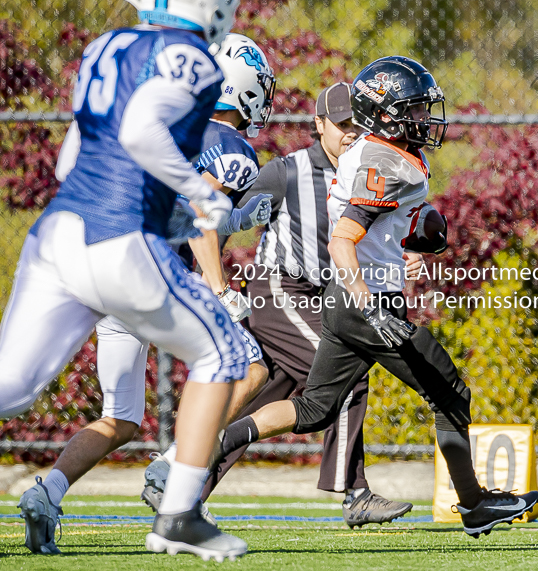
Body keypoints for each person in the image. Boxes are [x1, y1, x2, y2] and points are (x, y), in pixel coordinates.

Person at [212, 55, 538, 538]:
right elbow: (342, 239)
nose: (425, 119)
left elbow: (380, 221)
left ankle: (217, 441)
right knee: (449, 391)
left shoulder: (377, 149)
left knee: (314, 410)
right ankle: (473, 505)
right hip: (366, 305)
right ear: (384, 113)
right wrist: (370, 303)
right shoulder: (383, 162)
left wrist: (415, 229)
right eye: (414, 109)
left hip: (347, 304)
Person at [2, 0, 254, 561]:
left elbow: (75, 158)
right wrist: (197, 190)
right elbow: (141, 130)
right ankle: (181, 514)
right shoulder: (195, 58)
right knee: (226, 352)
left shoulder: (105, 47)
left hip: (57, 230)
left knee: (12, 389)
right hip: (116, 239)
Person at [142, 82, 416, 528]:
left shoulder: (366, 171)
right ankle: (356, 494)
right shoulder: (284, 172)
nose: (351, 133)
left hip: (322, 299)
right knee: (346, 376)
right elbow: (217, 219)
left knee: (256, 401)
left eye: (358, 125)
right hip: (280, 292)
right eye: (342, 124)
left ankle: (182, 493)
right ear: (319, 124)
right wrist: (209, 281)